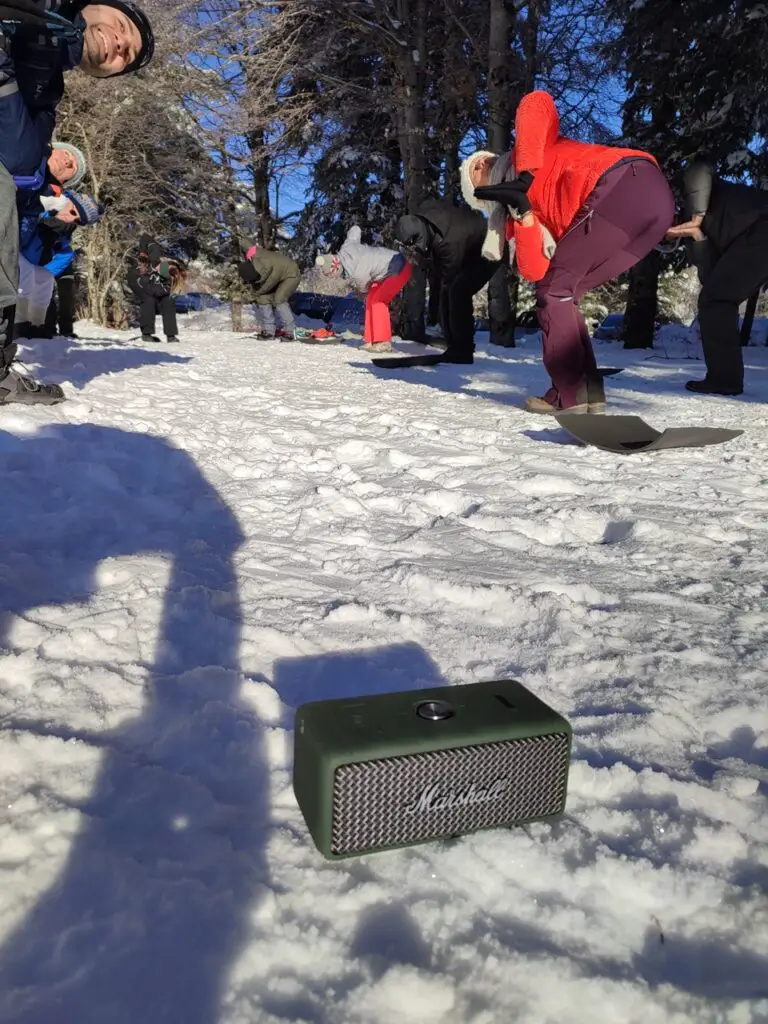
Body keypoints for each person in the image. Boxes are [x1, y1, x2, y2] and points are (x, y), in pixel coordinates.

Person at [463, 90, 675, 414]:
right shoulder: (510, 213)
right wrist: (524, 213)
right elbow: (534, 271)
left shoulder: (530, 149)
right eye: (474, 175)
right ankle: (588, 391)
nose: (482, 164)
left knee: (557, 289)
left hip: (624, 182)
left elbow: (536, 102)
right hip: (650, 210)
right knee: (562, 290)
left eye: (480, 161)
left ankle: (569, 395)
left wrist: (526, 175)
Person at [0, 0, 154, 405]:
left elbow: (20, 156)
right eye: (121, 26)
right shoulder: (46, 13)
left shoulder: (49, 82)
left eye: (127, 56)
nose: (120, 43)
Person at [666, 159, 768, 396]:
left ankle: (725, 380)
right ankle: (724, 379)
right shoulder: (689, 234)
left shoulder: (689, 189)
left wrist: (697, 216)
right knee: (715, 301)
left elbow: (701, 167)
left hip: (761, 228)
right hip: (755, 239)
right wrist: (697, 234)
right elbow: (711, 284)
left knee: (717, 302)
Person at [395, 198, 495, 364]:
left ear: (419, 236)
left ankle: (462, 350)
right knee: (448, 289)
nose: (411, 250)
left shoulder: (447, 242)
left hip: (489, 248)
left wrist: (451, 341)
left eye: (412, 244)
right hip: (469, 241)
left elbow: (447, 281)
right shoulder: (425, 213)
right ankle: (456, 345)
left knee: (457, 292)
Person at [16, 190, 103, 341]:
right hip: (16, 251)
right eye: (72, 211)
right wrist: (42, 224)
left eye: (77, 220)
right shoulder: (43, 203)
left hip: (36, 260)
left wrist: (47, 267)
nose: (70, 219)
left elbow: (64, 254)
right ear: (68, 202)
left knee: (45, 280)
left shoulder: (64, 231)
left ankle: (37, 324)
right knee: (26, 275)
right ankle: (18, 323)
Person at [315, 226, 412, 353]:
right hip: (385, 271)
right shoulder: (346, 248)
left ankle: (383, 342)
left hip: (399, 267)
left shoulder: (357, 272)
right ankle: (371, 340)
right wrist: (354, 227)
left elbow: (363, 288)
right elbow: (354, 233)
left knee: (378, 300)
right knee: (371, 299)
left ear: (335, 271)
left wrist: (361, 294)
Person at [238, 244, 301, 340]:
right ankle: (269, 332)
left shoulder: (269, 271)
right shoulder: (253, 265)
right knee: (263, 299)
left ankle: (291, 332)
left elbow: (266, 286)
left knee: (279, 299)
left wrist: (256, 293)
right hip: (276, 276)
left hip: (291, 274)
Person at [127, 234, 181, 344]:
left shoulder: (163, 266)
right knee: (148, 300)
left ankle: (171, 335)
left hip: (158, 294)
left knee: (168, 301)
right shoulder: (139, 267)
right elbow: (141, 285)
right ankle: (147, 333)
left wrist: (160, 289)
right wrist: (155, 288)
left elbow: (166, 286)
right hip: (145, 296)